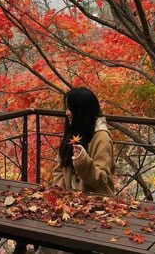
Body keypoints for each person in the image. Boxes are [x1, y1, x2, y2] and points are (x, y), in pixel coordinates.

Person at [35, 87, 116, 254]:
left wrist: (83, 161)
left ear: (81, 111)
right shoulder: (74, 130)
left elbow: (102, 180)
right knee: (46, 238)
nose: (67, 113)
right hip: (68, 204)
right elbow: (59, 168)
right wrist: (59, 194)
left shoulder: (101, 138)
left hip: (95, 207)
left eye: (70, 108)